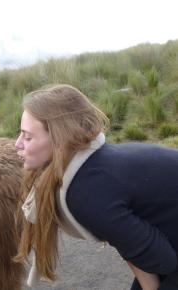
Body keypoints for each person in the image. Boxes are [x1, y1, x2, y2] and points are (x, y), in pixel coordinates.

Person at [13, 84, 178, 290]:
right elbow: (129, 244)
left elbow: (162, 260)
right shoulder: (86, 164)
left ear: (60, 141)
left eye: (28, 137)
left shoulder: (85, 193)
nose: (17, 144)